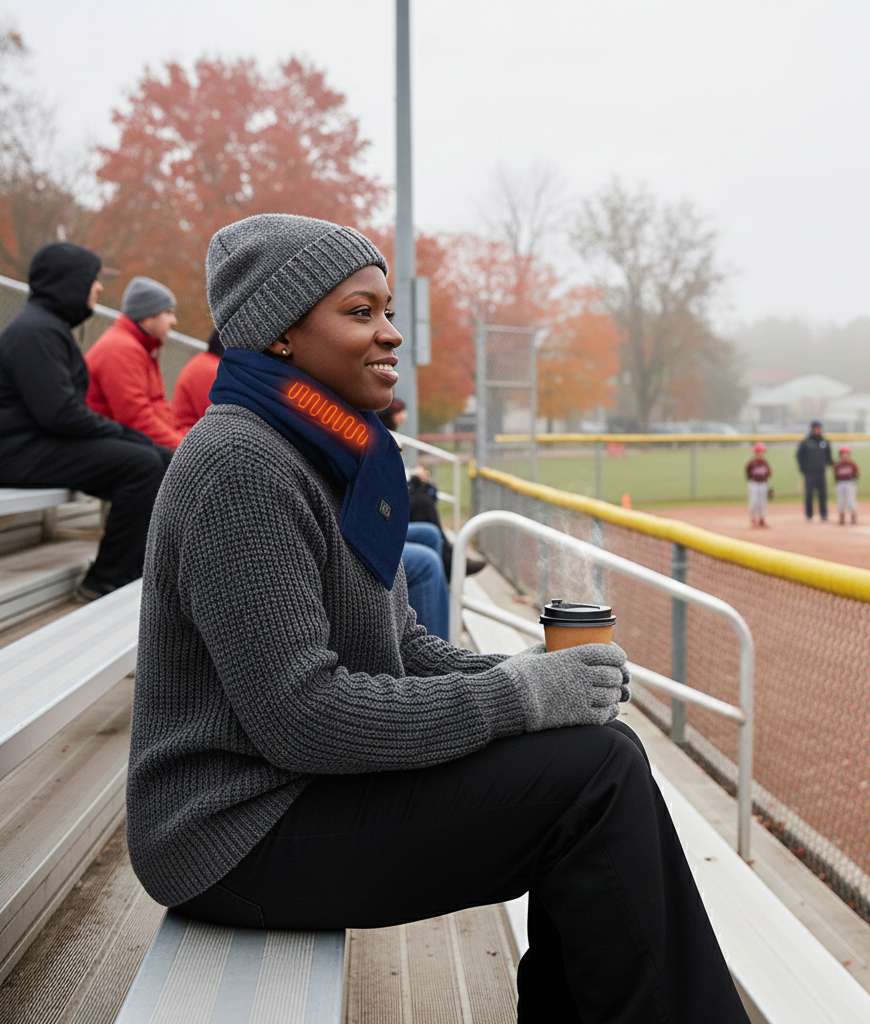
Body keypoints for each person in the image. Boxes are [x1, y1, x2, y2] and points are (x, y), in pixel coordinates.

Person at [126, 213, 750, 1024]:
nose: (390, 334)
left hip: (296, 792)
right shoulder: (239, 464)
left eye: (387, 311)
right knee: (596, 776)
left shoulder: (333, 450)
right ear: (280, 334)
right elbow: (302, 717)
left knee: (605, 751)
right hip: (230, 833)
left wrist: (531, 679)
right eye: (360, 313)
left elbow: (404, 647)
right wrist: (519, 698)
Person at [0, 242, 170, 600]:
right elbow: (59, 414)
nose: (99, 288)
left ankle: (144, 566)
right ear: (71, 282)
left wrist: (128, 437)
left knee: (156, 459)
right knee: (141, 463)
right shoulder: (35, 331)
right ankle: (107, 579)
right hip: (16, 451)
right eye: (93, 279)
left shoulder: (47, 326)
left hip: (32, 444)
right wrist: (125, 434)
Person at [85, 276, 187, 449]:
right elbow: (136, 419)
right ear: (148, 315)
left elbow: (157, 408)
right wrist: (183, 450)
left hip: (123, 442)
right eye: (168, 313)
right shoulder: (120, 349)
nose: (174, 321)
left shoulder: (141, 347)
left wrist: (183, 440)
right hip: (105, 445)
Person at [172, 328, 224, 431]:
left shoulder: (205, 361)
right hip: (187, 436)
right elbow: (218, 422)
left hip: (190, 434)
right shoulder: (212, 369)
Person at [796, 419, 833, 521]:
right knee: (809, 494)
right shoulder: (806, 442)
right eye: (816, 428)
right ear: (812, 429)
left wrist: (831, 464)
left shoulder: (824, 442)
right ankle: (809, 514)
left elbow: (828, 456)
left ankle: (823, 514)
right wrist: (803, 469)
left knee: (822, 494)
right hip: (809, 472)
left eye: (819, 428)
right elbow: (799, 456)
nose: (818, 430)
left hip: (821, 472)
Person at [744, 441, 771, 527]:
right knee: (754, 501)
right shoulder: (752, 463)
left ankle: (762, 519)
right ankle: (753, 518)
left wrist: (767, 485)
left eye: (763, 452)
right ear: (756, 452)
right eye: (761, 451)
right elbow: (747, 473)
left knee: (763, 502)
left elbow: (769, 474)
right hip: (754, 484)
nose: (762, 453)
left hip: (763, 483)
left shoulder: (765, 463)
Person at [833, 445, 860, 525]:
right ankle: (842, 516)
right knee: (841, 500)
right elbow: (835, 475)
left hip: (849, 483)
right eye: (843, 453)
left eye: (846, 453)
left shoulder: (851, 464)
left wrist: (853, 480)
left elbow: (857, 473)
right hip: (840, 483)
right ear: (840, 454)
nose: (844, 455)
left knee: (851, 500)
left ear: (849, 454)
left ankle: (853, 515)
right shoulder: (838, 464)